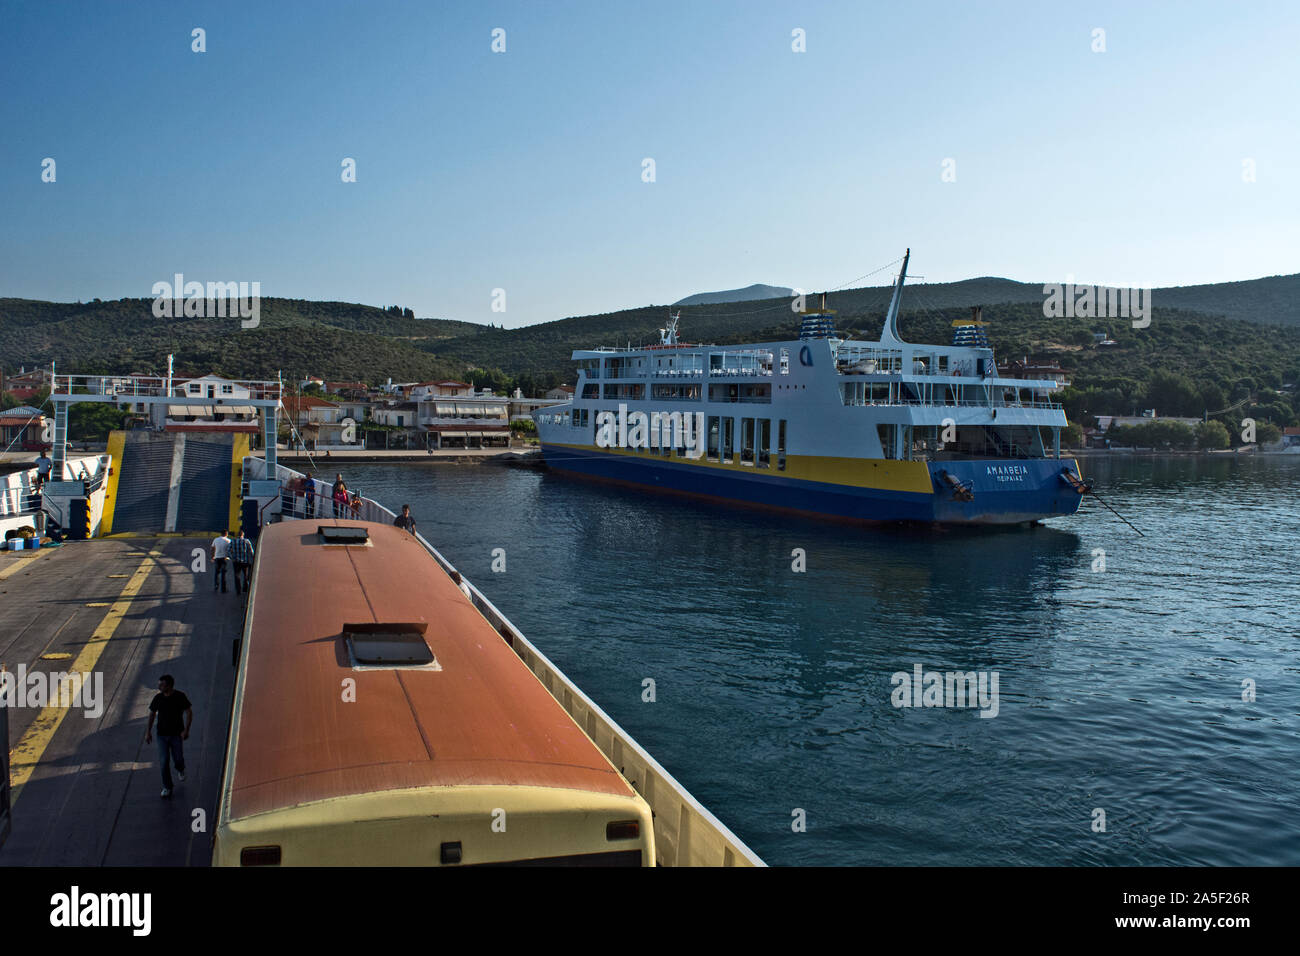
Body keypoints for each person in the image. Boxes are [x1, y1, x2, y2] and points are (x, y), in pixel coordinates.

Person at [145, 675, 192, 798]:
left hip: (176, 735)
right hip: (162, 736)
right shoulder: (158, 698)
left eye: (162, 685)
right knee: (164, 762)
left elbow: (189, 712)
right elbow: (152, 714)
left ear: (169, 686)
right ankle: (167, 787)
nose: (159, 686)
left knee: (178, 758)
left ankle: (180, 769)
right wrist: (148, 732)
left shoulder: (180, 696)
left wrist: (186, 730)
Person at [229, 529, 255, 594]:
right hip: (245, 561)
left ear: (238, 535)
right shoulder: (247, 541)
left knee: (237, 575)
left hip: (236, 561)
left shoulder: (233, 541)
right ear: (243, 535)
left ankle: (238, 589)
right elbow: (251, 551)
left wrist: (232, 557)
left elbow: (228, 550)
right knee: (245, 576)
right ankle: (245, 589)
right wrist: (252, 558)